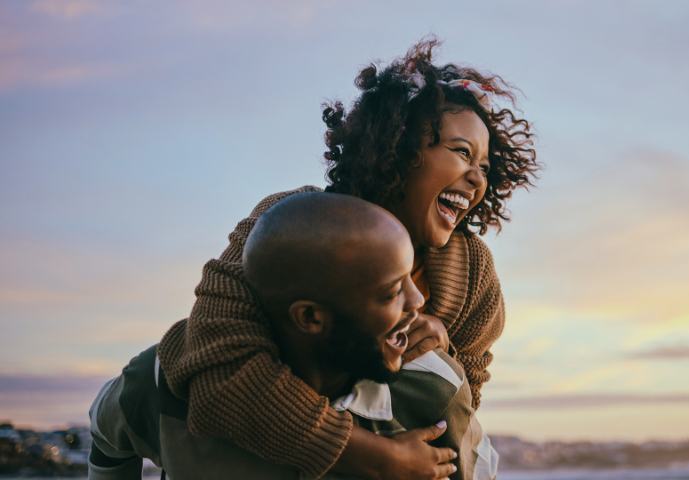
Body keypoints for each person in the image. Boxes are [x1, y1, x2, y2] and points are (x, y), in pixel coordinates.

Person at [156, 37, 537, 480]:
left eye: (486, 167)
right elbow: (220, 371)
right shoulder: (291, 224)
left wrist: (442, 350)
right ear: (399, 148)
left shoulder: (473, 275)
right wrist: (372, 457)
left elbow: (460, 409)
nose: (477, 178)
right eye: (461, 152)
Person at [88, 193, 498, 480]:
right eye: (392, 292)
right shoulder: (166, 380)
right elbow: (106, 435)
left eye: (411, 277)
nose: (417, 301)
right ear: (310, 317)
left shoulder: (435, 389)